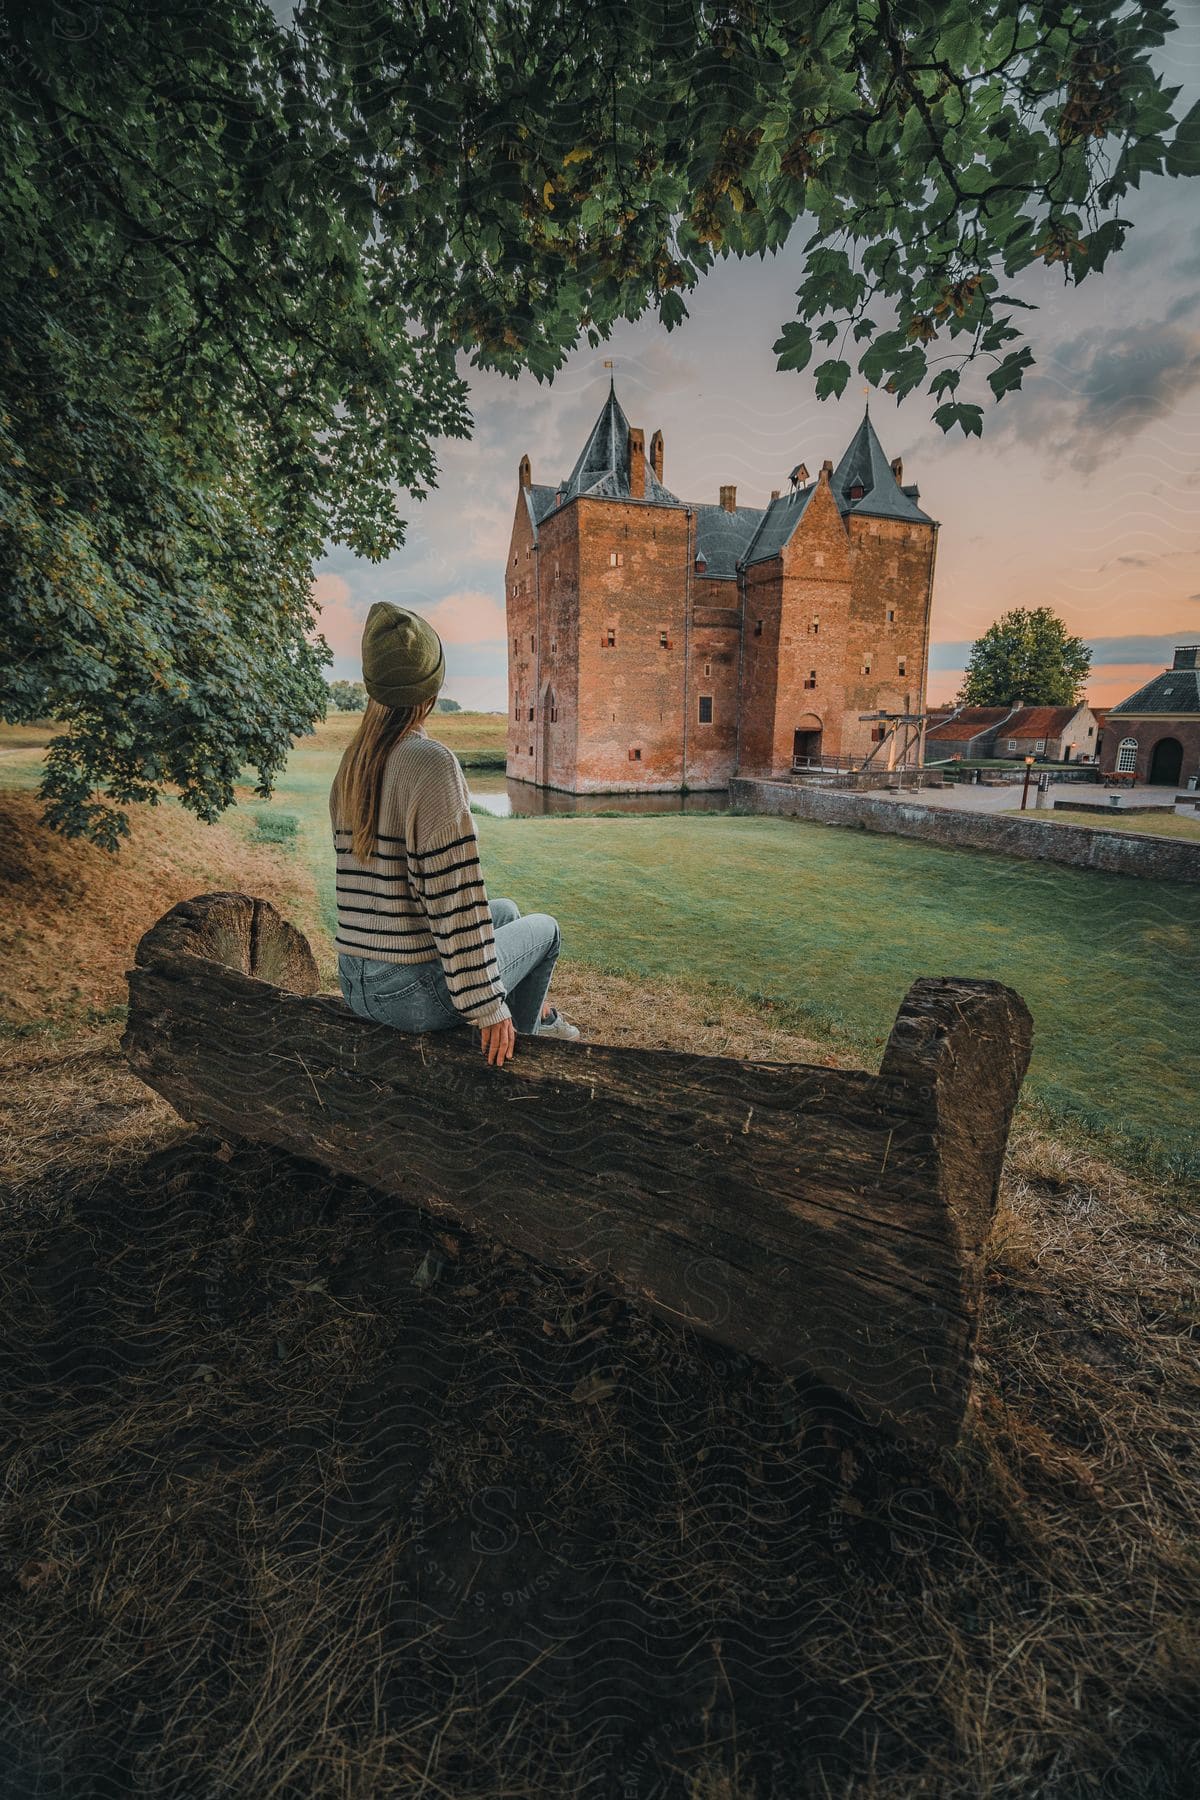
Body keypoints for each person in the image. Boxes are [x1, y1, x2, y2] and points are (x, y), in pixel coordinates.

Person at [329, 602, 579, 1067]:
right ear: (431, 686)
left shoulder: (353, 762)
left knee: (505, 912)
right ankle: (521, 1047)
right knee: (545, 930)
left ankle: (537, 1015)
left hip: (355, 980)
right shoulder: (428, 762)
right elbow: (453, 896)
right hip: (405, 996)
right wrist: (487, 1005)